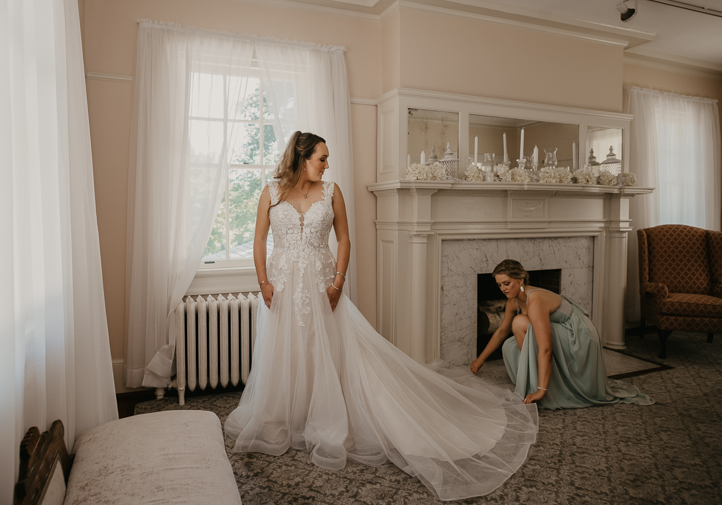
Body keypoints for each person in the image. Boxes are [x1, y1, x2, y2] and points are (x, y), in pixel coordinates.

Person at [224, 132, 538, 501]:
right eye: (321, 158)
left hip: (323, 284)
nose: (327, 165)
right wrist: (262, 282)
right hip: (282, 285)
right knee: (288, 350)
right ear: (300, 157)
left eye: (327, 159)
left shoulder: (332, 191)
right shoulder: (271, 192)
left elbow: (344, 239)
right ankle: (289, 417)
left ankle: (327, 415)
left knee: (326, 349)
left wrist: (339, 281)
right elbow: (259, 240)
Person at [470, 259, 654, 409]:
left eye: (507, 283)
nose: (503, 288)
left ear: (520, 280)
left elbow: (546, 349)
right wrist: (480, 360)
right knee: (509, 346)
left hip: (578, 334)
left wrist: (541, 390)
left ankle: (539, 385)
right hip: (560, 329)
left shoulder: (534, 299)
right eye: (499, 285)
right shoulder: (512, 302)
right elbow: (502, 331)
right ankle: (534, 378)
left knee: (518, 323)